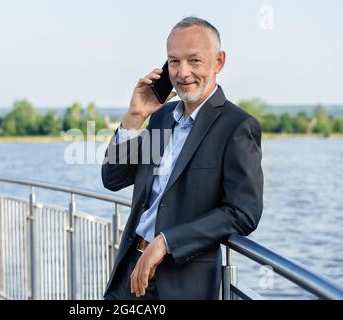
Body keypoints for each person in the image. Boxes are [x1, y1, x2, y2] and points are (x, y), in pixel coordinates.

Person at [101, 16, 264, 300]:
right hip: (129, 271)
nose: (183, 72)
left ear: (219, 62)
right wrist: (134, 117)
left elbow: (243, 213)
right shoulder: (162, 116)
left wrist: (166, 242)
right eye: (174, 62)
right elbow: (113, 178)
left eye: (194, 60)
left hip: (180, 283)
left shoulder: (236, 126)